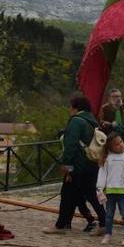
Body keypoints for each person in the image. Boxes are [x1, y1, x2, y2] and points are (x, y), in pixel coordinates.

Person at [48, 95, 105, 234]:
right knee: (90, 194)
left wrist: (66, 166)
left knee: (67, 194)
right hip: (91, 163)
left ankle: (60, 226)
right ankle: (103, 223)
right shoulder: (92, 121)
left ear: (75, 107)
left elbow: (71, 145)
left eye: (71, 106)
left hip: (77, 165)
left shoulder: (76, 121)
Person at [96, 133, 124, 246]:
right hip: (110, 191)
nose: (120, 145)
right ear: (111, 147)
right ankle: (108, 234)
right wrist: (100, 188)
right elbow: (103, 173)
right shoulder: (108, 158)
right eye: (117, 144)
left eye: (121, 142)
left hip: (123, 191)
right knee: (109, 215)